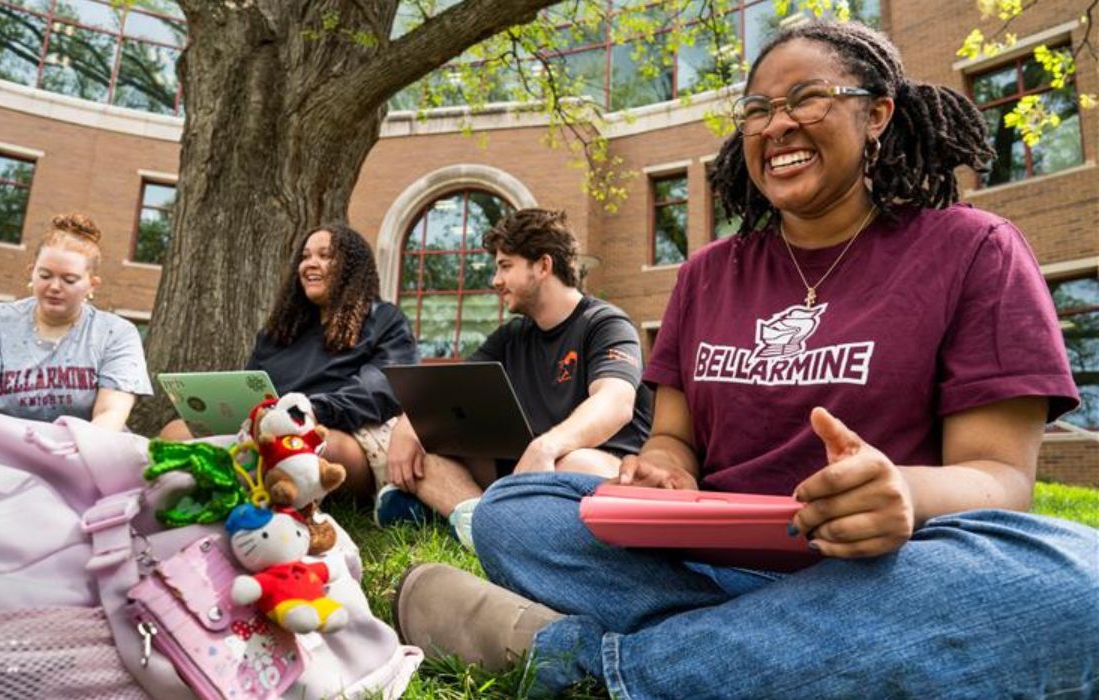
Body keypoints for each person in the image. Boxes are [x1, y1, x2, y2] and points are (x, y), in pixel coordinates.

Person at [393, 21, 1098, 698]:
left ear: (878, 113)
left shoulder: (974, 249)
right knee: (515, 509)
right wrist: (663, 470)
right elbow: (672, 438)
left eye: (807, 100)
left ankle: (584, 661)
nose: (775, 126)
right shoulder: (706, 273)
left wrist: (907, 495)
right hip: (703, 564)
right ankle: (796, 653)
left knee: (1078, 581)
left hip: (888, 568)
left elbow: (1000, 478)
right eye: (757, 110)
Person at [383, 208, 653, 547]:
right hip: (527, 469)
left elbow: (615, 402)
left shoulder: (606, 324)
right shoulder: (511, 336)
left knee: (571, 462)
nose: (496, 280)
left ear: (543, 266)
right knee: (432, 453)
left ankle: (465, 514)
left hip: (599, 466)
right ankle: (482, 523)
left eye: (505, 266)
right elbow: (447, 391)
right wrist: (406, 428)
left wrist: (547, 446)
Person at [161, 223, 417, 501]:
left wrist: (310, 411)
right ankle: (236, 477)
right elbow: (250, 389)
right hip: (266, 430)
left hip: (335, 434)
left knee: (304, 447)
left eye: (325, 255)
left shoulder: (384, 320)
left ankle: (226, 480)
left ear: (352, 268)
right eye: (305, 257)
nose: (310, 264)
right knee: (174, 432)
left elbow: (381, 387)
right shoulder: (279, 331)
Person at [0, 213, 152, 431]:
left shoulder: (116, 333)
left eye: (69, 280)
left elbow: (111, 413)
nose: (55, 287)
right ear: (31, 273)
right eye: (45, 275)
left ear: (92, 285)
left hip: (86, 446)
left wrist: (72, 449)